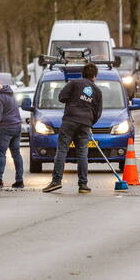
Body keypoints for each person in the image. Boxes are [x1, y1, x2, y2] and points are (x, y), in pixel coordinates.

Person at [42, 62, 103, 194]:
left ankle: (56, 181)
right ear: (95, 76)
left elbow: (61, 97)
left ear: (83, 73)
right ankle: (83, 185)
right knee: (82, 154)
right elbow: (98, 112)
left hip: (69, 121)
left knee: (62, 150)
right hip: (85, 124)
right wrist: (89, 123)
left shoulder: (74, 83)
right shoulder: (97, 91)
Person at [0, 76, 23, 189]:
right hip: (17, 126)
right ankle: (19, 181)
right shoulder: (11, 93)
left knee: (0, 153)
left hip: (6, 128)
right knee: (16, 154)